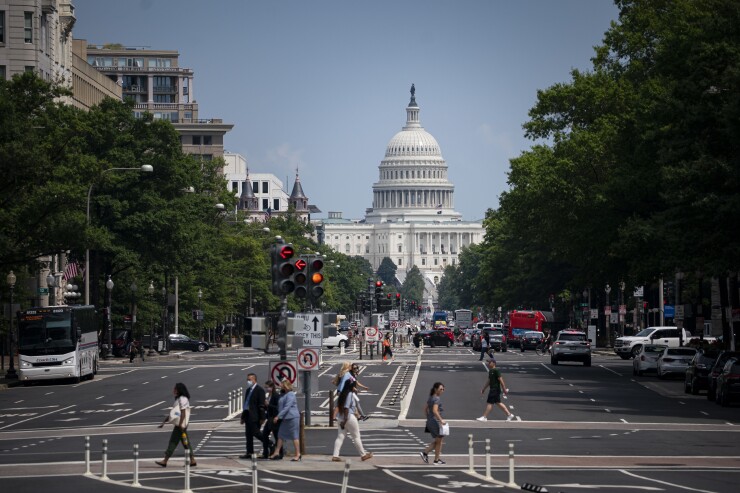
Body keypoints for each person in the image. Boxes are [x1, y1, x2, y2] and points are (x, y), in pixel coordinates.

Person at [331, 379, 373, 462]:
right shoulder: (349, 394)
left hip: (340, 417)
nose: (355, 388)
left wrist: (340, 420)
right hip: (349, 417)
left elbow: (338, 407)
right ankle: (363, 455)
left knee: (340, 437)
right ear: (352, 387)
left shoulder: (342, 393)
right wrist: (345, 420)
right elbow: (347, 407)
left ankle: (335, 456)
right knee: (356, 436)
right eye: (354, 386)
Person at [156, 382, 196, 467]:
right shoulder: (179, 399)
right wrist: (164, 422)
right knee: (186, 442)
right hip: (180, 424)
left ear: (179, 390)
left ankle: (165, 460)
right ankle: (192, 460)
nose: (174, 390)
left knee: (173, 441)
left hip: (180, 425)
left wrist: (181, 425)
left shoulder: (183, 399)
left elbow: (183, 413)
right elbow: (175, 413)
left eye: (175, 388)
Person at [268, 380, 301, 461]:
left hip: (292, 417)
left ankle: (298, 454)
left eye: (281, 385)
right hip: (285, 418)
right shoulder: (283, 394)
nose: (280, 386)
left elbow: (287, 407)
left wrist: (278, 416)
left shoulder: (290, 395)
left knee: (294, 436)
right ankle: (276, 452)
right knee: (280, 435)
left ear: (285, 386)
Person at [239, 373, 267, 459]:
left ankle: (269, 443)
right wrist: (243, 417)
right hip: (248, 415)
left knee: (256, 433)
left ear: (254, 380)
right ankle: (249, 452)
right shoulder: (248, 390)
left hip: (255, 416)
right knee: (248, 435)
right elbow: (246, 404)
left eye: (249, 380)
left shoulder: (260, 390)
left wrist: (262, 418)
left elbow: (261, 405)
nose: (248, 381)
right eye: (247, 380)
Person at [420, 382, 446, 465]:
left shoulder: (431, 398)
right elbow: (435, 411)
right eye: (440, 389)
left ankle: (431, 456)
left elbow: (425, 409)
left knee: (439, 440)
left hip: (431, 421)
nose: (442, 390)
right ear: (436, 389)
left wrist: (428, 418)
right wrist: (441, 420)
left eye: (443, 389)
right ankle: (433, 458)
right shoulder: (436, 399)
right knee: (439, 440)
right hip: (435, 421)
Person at [262, 380, 283, 459]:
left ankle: (280, 453)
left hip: (275, 418)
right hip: (269, 418)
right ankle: (265, 453)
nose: (266, 389)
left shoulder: (276, 396)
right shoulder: (269, 395)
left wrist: (268, 405)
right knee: (264, 435)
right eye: (265, 387)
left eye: (267, 387)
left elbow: (278, 408)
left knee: (277, 436)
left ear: (272, 387)